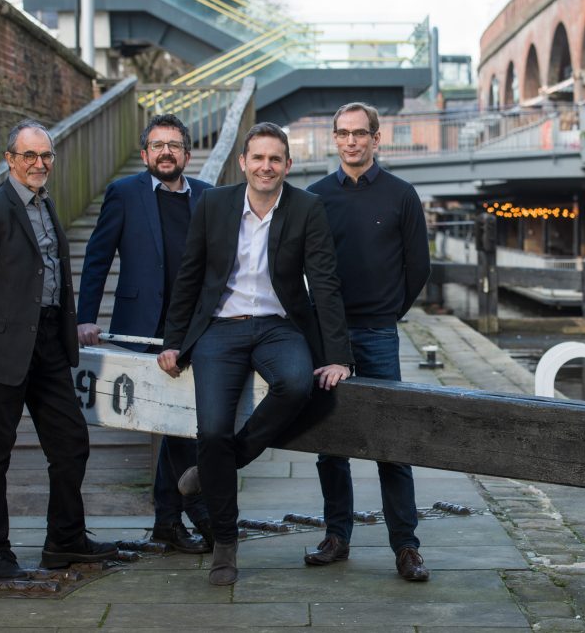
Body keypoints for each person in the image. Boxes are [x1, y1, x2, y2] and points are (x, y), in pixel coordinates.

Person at [157, 122, 353, 586]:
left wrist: (339, 355)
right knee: (212, 430)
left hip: (278, 326)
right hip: (219, 330)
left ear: (287, 165)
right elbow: (189, 276)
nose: (266, 166)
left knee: (297, 383)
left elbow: (324, 283)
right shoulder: (214, 204)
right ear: (243, 162)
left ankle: (216, 467)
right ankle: (225, 546)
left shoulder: (307, 208)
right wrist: (173, 340)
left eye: (275, 159)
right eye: (258, 158)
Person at [0, 119, 118, 579]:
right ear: (10, 160)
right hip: (0, 350)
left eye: (46, 156)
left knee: (71, 443)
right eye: (30, 156)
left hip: (47, 345)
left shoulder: (46, 205)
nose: (39, 164)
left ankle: (65, 540)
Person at [306, 102, 432, 582]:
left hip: (379, 331)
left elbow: (417, 266)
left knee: (390, 439)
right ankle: (336, 536)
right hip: (328, 334)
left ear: (377, 140)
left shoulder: (401, 195)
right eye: (343, 133)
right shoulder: (314, 197)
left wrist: (388, 310)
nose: (352, 141)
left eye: (361, 133)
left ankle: (406, 546)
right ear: (334, 140)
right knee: (330, 442)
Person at [77, 114, 213, 554]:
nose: (166, 152)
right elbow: (97, 259)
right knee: (174, 422)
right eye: (157, 145)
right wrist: (84, 317)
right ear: (145, 154)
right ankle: (186, 511)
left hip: (193, 328)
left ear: (187, 155)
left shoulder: (208, 198)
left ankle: (169, 520)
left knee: (181, 423)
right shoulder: (123, 194)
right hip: (144, 326)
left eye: (174, 144)